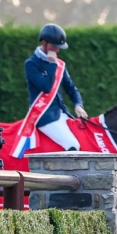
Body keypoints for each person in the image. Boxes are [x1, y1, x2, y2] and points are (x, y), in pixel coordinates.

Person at [18, 23, 88, 155]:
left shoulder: (59, 64)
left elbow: (71, 87)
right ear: (44, 43)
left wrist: (78, 105)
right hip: (44, 116)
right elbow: (46, 87)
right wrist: (51, 64)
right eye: (54, 46)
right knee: (72, 144)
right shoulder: (31, 64)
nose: (57, 50)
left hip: (61, 113)